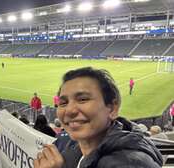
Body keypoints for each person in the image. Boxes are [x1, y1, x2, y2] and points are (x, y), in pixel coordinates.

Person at [34, 67, 163, 168]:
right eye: (63, 103)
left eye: (83, 99)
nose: (69, 111)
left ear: (112, 108)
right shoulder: (74, 146)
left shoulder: (131, 164)